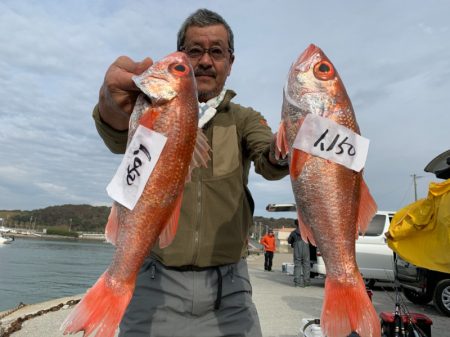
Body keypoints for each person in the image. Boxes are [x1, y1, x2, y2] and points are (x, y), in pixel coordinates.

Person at [93, 8, 289, 337]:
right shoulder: (152, 103)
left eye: (217, 51)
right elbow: (117, 136)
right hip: (154, 283)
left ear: (230, 61)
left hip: (229, 291)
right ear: (182, 55)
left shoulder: (243, 119)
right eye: (194, 51)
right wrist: (110, 108)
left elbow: (269, 161)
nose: (206, 61)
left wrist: (288, 148)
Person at [288, 220, 311, 287]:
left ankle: (297, 283)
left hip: (297, 248)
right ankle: (306, 282)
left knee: (297, 265)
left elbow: (289, 241)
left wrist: (293, 242)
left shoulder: (293, 232)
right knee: (306, 265)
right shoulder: (307, 232)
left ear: (296, 224)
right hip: (306, 247)